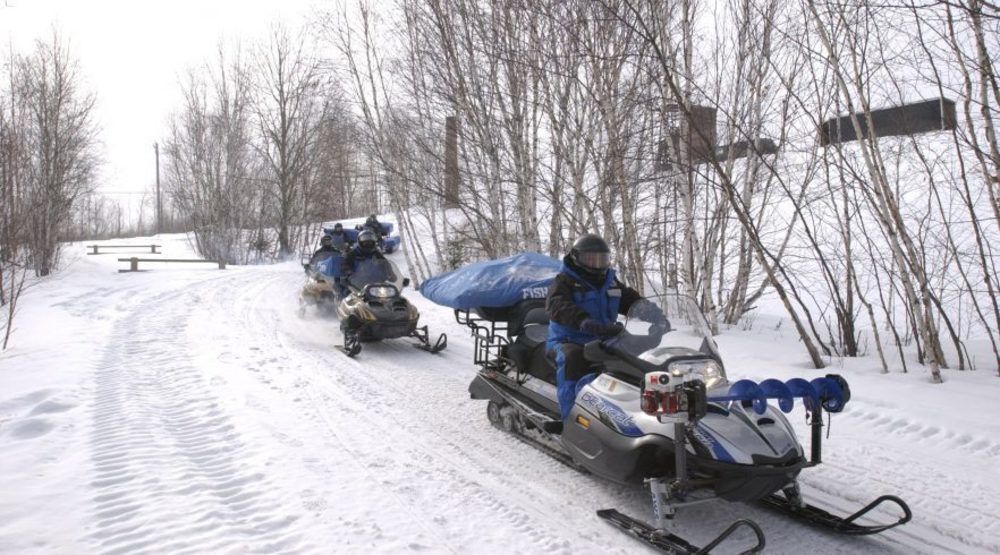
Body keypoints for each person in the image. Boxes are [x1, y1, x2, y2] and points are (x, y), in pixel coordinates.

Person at [546, 233, 666, 420]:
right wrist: (582, 320)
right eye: (591, 259)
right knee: (573, 359)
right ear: (577, 258)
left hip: (605, 336)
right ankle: (569, 419)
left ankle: (641, 413)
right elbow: (557, 305)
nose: (597, 264)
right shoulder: (564, 281)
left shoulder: (610, 281)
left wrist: (657, 316)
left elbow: (631, 300)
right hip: (569, 339)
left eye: (602, 259)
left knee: (637, 358)